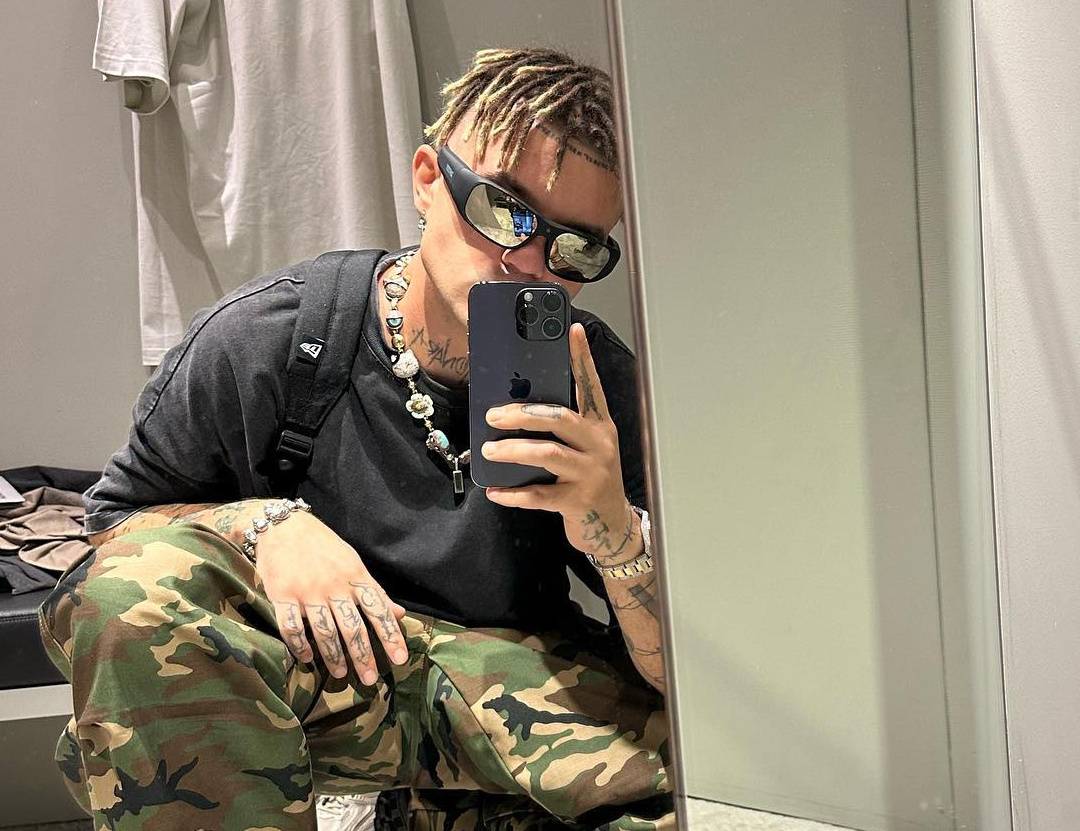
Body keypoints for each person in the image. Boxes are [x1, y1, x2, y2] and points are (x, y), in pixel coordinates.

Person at [38, 47, 674, 831]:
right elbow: (109, 540)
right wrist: (263, 523)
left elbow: (679, 676)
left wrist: (616, 534)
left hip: (509, 683)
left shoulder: (594, 379)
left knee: (730, 769)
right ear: (428, 179)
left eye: (575, 248)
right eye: (503, 210)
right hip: (328, 675)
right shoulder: (274, 339)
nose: (526, 263)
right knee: (135, 591)